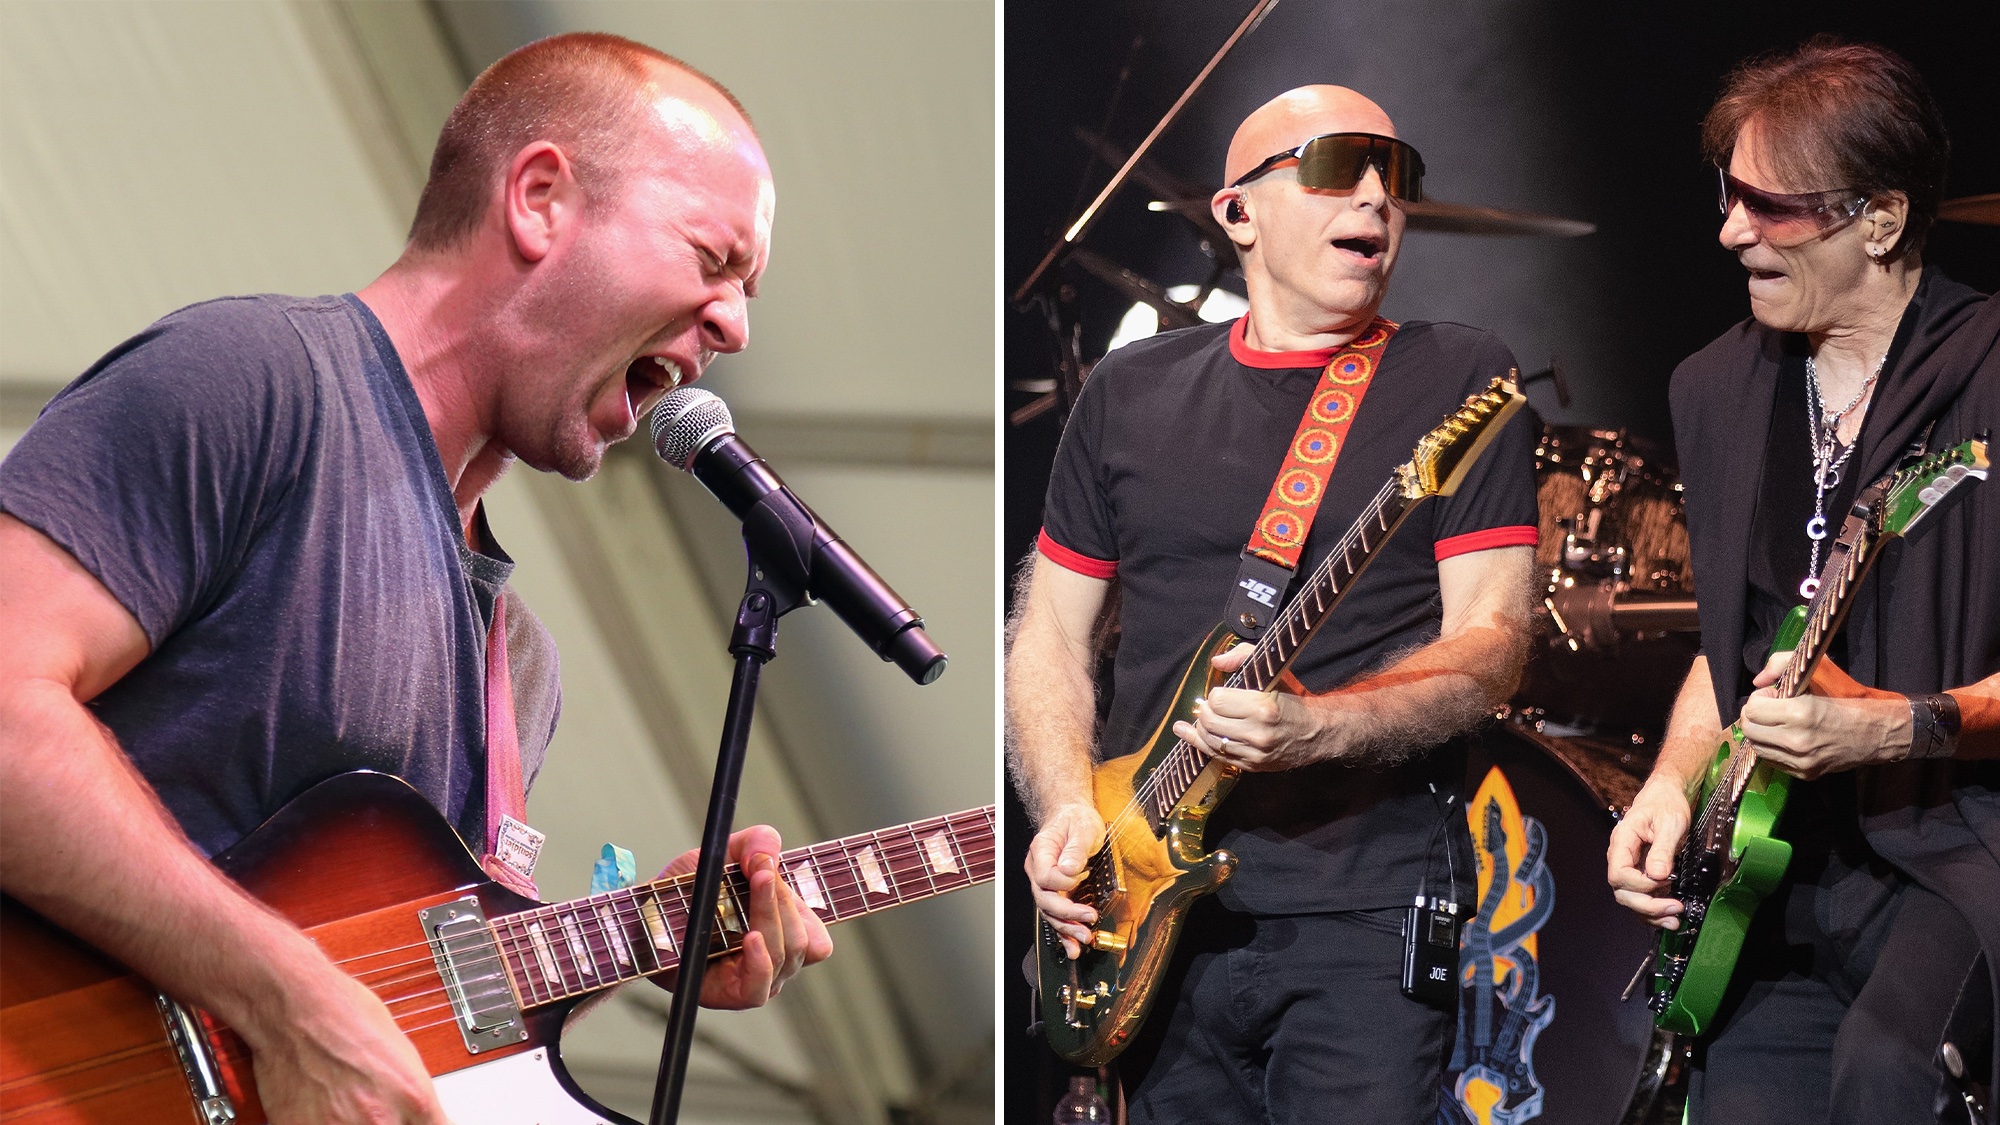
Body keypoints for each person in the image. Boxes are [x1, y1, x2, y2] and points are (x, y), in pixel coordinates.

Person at [0, 33, 831, 1125]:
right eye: (714, 259)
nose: (735, 322)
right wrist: (287, 1003)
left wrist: (638, 940)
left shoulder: (520, 665)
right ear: (539, 200)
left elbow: (411, 988)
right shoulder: (254, 383)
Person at [1007, 85, 1540, 1124]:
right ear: (1235, 213)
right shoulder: (1125, 391)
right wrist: (1071, 811)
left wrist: (1316, 727)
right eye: (1341, 164)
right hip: (1145, 912)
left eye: (1398, 172)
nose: (1380, 196)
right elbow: (1048, 640)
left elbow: (1491, 646)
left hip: (1364, 903)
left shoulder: (1455, 373)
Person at [1605, 38, 2000, 1124]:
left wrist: (1895, 728)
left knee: (1887, 1071)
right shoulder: (1714, 387)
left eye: (1765, 205)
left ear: (1877, 219)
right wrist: (1667, 784)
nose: (1729, 229)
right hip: (1764, 872)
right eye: (1726, 197)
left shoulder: (1987, 372)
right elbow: (1729, 644)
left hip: (1958, 848)